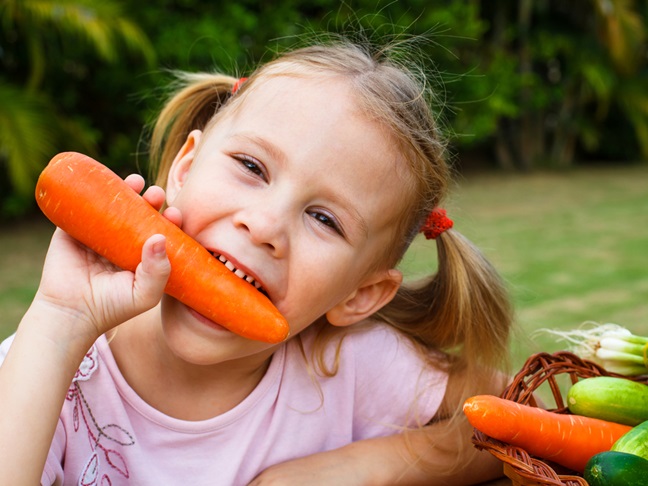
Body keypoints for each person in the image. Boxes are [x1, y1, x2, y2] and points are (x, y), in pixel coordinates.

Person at [0, 36, 512, 485]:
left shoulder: (347, 363)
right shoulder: (45, 368)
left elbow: (520, 419)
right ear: (185, 166)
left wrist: (363, 468)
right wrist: (60, 323)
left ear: (359, 294)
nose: (265, 226)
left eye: (325, 219)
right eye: (251, 166)